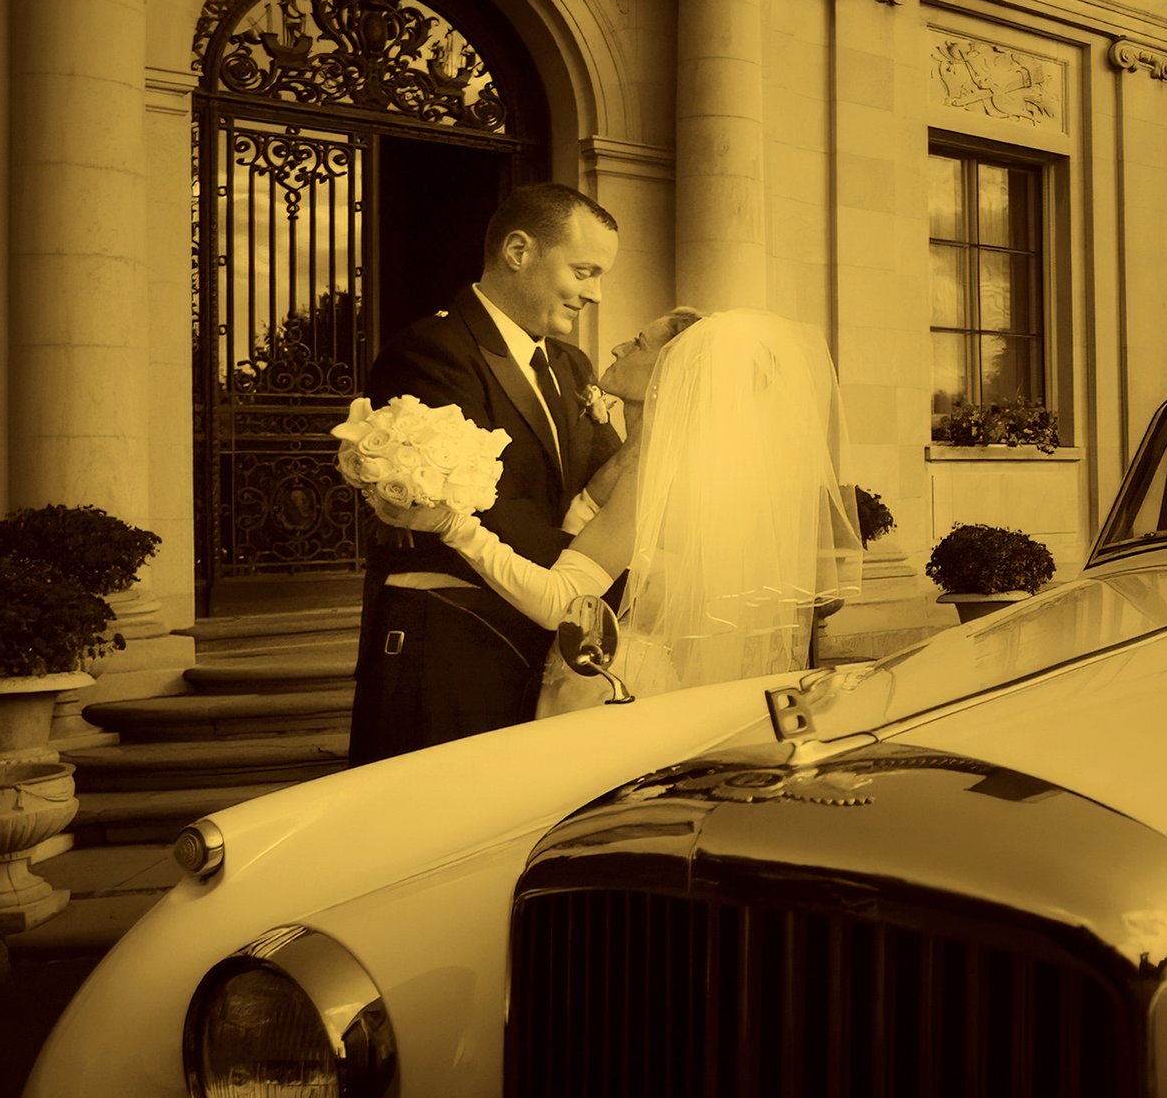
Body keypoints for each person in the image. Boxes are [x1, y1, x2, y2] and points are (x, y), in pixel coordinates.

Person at [370, 308, 863, 715]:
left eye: (638, 343)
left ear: (673, 373)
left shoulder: (657, 473)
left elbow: (559, 602)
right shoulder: (672, 458)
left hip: (608, 682)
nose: (616, 348)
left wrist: (452, 525)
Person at [346, 182, 624, 764]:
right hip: (452, 645)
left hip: (545, 634)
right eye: (583, 271)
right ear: (519, 252)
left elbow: (602, 480)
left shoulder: (572, 364)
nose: (595, 294)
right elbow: (488, 504)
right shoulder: (434, 351)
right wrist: (589, 575)